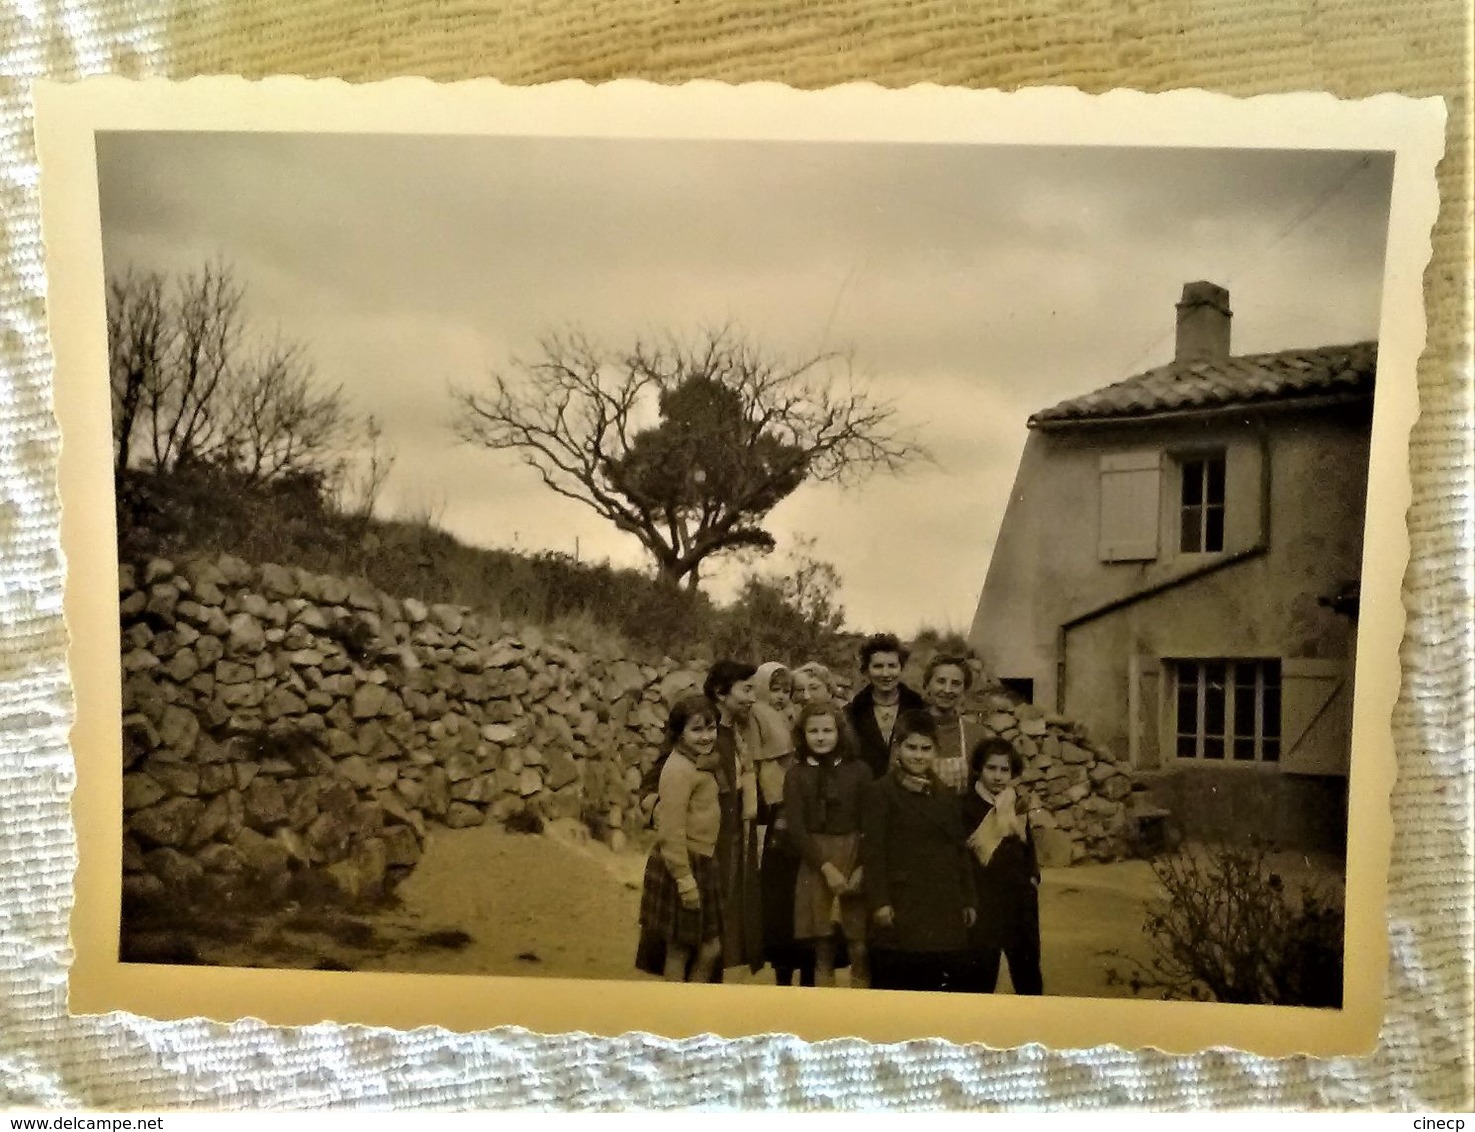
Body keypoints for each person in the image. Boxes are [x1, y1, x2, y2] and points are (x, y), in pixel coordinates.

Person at [861, 710, 977, 992]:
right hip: (902, 904)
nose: (918, 755)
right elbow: (873, 852)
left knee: (935, 988)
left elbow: (959, 850)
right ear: (898, 749)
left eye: (926, 749)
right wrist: (880, 902)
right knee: (897, 985)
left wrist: (968, 899)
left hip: (942, 904)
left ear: (935, 752)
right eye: (911, 747)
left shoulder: (945, 794)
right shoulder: (881, 792)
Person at [634, 695, 726, 982]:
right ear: (679, 733)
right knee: (683, 949)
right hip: (684, 864)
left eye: (711, 728)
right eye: (696, 730)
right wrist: (684, 879)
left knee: (705, 948)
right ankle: (682, 1012)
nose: (706, 736)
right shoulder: (677, 770)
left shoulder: (699, 763)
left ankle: (688, 1009)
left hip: (701, 860)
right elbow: (670, 830)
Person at [784, 700, 872, 988]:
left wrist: (862, 867)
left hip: (853, 856)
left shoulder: (859, 771)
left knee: (859, 946)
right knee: (823, 947)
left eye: (827, 730)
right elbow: (796, 829)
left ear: (840, 733)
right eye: (813, 731)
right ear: (802, 734)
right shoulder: (796, 774)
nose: (821, 737)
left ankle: (861, 1009)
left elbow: (870, 823)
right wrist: (825, 868)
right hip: (816, 860)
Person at [955, 737, 1044, 995]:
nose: (997, 776)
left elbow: (1027, 846)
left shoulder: (1016, 802)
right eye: (991, 768)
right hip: (984, 898)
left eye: (1004, 770)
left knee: (1027, 971)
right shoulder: (965, 806)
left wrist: (1032, 877)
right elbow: (962, 856)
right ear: (979, 770)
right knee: (981, 972)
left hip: (1019, 898)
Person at [750, 660, 815, 987]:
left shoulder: (788, 714)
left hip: (792, 803)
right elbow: (770, 759)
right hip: (775, 802)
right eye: (774, 689)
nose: (780, 696)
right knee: (780, 893)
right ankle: (783, 969)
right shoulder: (759, 714)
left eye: (784, 690)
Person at [703, 659, 764, 977]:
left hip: (735, 833)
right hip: (710, 839)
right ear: (720, 692)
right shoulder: (701, 731)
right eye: (746, 689)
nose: (753, 697)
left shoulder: (740, 731)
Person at [844, 634, 926, 780]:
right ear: (866, 670)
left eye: (892, 666)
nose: (886, 673)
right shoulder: (852, 712)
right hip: (867, 791)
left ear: (901, 668)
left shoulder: (919, 707)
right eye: (878, 666)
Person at [922, 654, 988, 794]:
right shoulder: (910, 728)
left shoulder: (976, 734)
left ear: (964, 691)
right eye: (941, 681)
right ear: (927, 685)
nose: (947, 690)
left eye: (956, 684)